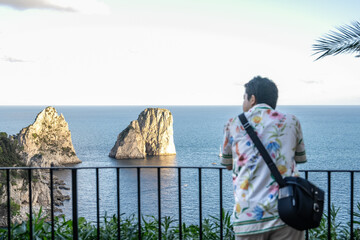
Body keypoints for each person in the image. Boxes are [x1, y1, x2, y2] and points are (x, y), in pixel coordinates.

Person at [221, 76, 307, 240]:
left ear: (252, 99)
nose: (243, 102)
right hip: (287, 213)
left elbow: (227, 164)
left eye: (244, 98)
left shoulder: (233, 124)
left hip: (249, 217)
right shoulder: (292, 121)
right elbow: (299, 158)